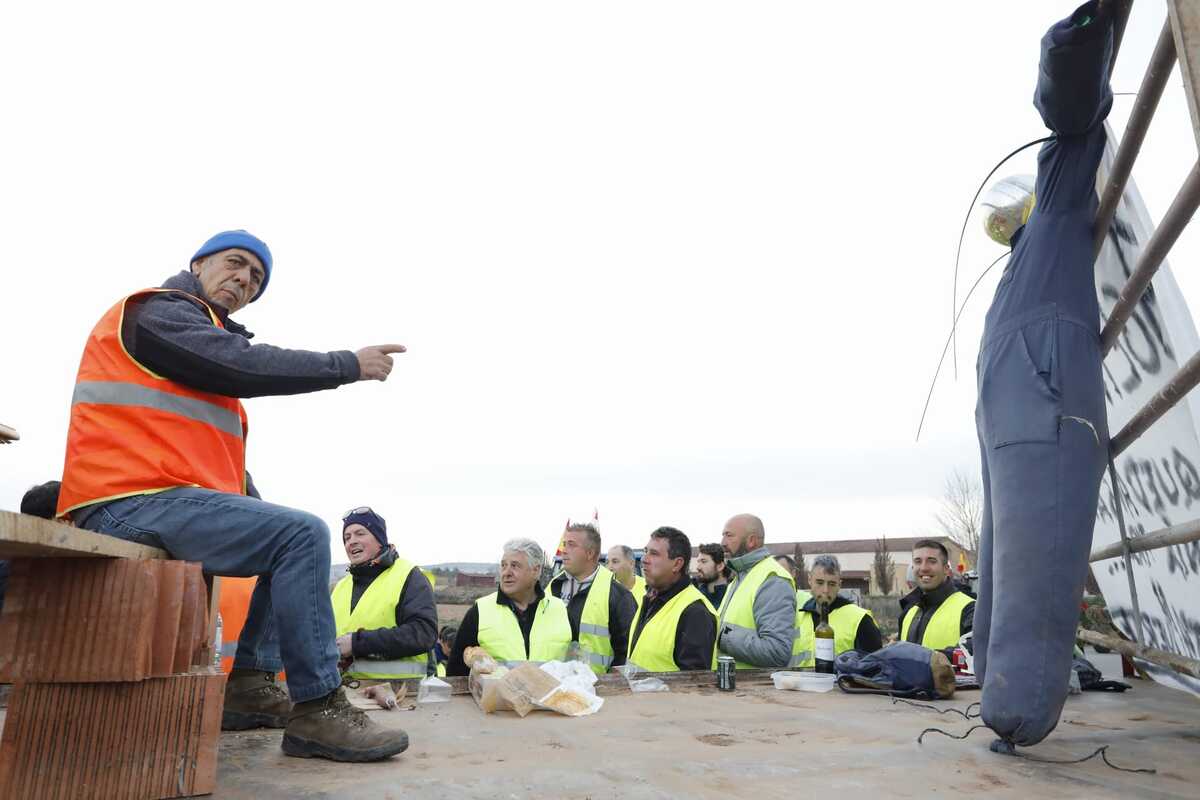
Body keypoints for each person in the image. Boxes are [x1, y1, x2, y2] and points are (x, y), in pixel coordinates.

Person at [55, 230, 409, 762]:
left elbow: (230, 476)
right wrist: (346, 364)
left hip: (154, 500)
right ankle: (318, 711)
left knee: (289, 537)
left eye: (256, 279)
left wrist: (269, 516)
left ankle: (246, 686)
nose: (244, 280)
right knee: (300, 532)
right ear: (198, 264)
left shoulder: (197, 357)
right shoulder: (160, 313)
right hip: (121, 503)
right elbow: (238, 363)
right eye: (235, 264)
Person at [973, 1, 1115, 747]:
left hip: (1046, 400)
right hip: (1010, 409)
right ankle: (1001, 692)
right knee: (1003, 564)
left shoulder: (1059, 204)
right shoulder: (1020, 267)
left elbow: (1076, 120)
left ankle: (1021, 709)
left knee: (1036, 558)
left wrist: (1087, 29)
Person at [331, 508, 437, 695]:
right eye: (346, 537)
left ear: (380, 539)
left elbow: (423, 633)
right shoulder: (340, 587)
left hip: (402, 694)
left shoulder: (409, 575)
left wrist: (357, 644)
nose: (351, 541)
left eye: (360, 533)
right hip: (348, 695)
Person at [446, 538, 570, 675]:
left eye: (515, 566)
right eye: (503, 565)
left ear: (536, 570)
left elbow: (575, 665)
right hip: (496, 697)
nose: (506, 572)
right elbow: (455, 672)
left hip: (552, 696)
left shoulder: (561, 609)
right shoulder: (480, 611)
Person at [548, 523, 637, 675]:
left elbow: (628, 651)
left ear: (589, 553)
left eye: (571, 545)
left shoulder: (618, 595)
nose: (564, 550)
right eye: (564, 544)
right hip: (555, 684)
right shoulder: (552, 587)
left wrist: (610, 683)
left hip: (599, 688)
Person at [626, 527, 717, 672]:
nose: (644, 559)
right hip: (639, 693)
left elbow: (695, 685)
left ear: (677, 564)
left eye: (654, 554)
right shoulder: (651, 598)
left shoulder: (694, 613)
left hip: (664, 695)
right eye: (646, 551)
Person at [716, 514, 796, 669]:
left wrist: (721, 636)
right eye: (723, 536)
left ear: (751, 541)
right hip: (736, 689)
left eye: (729, 535)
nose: (722, 543)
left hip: (753, 690)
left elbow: (777, 652)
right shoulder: (739, 578)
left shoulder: (772, 579)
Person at [792, 555, 882, 668]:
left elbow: (875, 669)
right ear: (810, 580)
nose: (825, 590)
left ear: (839, 584)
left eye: (832, 584)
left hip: (839, 685)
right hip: (797, 685)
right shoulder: (796, 618)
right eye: (820, 583)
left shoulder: (860, 619)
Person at [899, 540, 974, 654]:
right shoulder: (908, 612)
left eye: (932, 561)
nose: (924, 568)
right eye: (918, 561)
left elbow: (974, 652)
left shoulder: (970, 610)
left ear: (946, 569)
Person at [693, 543, 729, 608]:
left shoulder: (733, 594)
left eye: (703, 562)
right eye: (698, 562)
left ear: (720, 566)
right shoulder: (695, 594)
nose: (698, 567)